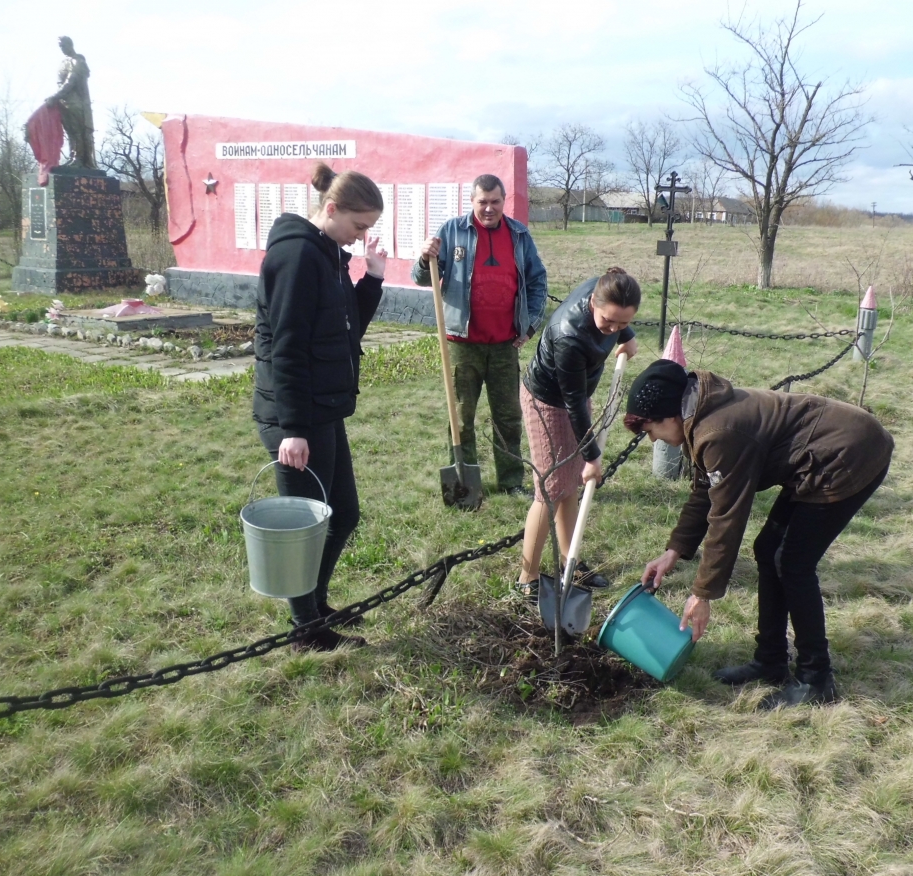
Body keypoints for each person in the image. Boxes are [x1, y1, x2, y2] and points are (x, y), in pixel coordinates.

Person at [626, 360, 894, 708]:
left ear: (669, 415)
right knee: (769, 549)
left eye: (650, 430)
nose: (652, 439)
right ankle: (771, 661)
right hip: (819, 455)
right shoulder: (701, 417)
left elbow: (727, 517)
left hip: (849, 454)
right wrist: (674, 550)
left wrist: (702, 593)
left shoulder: (718, 431)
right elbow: (707, 490)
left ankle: (816, 679)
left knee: (793, 563)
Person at [253, 163, 388, 652]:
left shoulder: (329, 253)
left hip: (324, 409)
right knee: (308, 524)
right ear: (330, 209)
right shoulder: (295, 257)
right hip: (296, 416)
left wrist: (370, 279)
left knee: (343, 513)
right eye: (359, 225)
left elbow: (345, 327)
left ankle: (314, 604)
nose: (362, 235)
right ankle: (305, 630)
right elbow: (286, 346)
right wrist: (292, 428)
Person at [412, 175, 548, 496]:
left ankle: (511, 481)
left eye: (495, 201)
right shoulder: (452, 231)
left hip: (504, 344)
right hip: (461, 344)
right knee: (461, 417)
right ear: (473, 201)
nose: (489, 208)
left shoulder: (518, 235)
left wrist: (529, 326)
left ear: (504, 201)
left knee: (508, 416)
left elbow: (537, 280)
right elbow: (421, 278)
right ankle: (464, 481)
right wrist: (423, 258)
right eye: (482, 202)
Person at [516, 268, 641, 599]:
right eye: (608, 322)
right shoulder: (568, 334)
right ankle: (526, 578)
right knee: (551, 488)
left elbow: (621, 318)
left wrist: (627, 337)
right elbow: (572, 405)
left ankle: (569, 561)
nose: (613, 328)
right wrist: (592, 458)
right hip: (548, 401)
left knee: (568, 485)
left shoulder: (609, 289)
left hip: (577, 397)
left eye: (622, 322)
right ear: (593, 303)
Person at [46, 36, 95, 169]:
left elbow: (70, 82)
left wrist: (55, 97)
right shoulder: (65, 62)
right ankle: (73, 157)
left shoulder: (77, 61)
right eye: (60, 47)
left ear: (70, 45)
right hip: (65, 102)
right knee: (71, 132)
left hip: (76, 103)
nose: (62, 49)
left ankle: (79, 159)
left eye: (63, 46)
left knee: (77, 131)